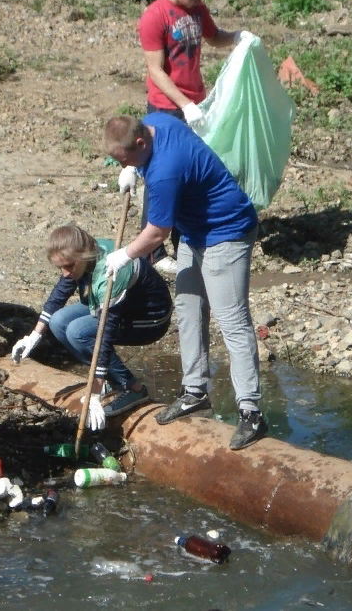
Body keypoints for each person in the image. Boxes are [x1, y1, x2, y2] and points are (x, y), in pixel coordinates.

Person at [103, 113, 266, 451]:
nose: (126, 164)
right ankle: (196, 391)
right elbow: (141, 158)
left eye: (127, 158)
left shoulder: (165, 170)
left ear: (140, 142)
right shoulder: (154, 122)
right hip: (194, 231)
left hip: (228, 232)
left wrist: (124, 255)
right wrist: (132, 168)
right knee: (189, 308)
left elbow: (157, 233)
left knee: (231, 319)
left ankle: (251, 411)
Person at [133, 0, 250, 274]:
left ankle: (186, 241)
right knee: (162, 175)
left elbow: (214, 37)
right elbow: (156, 70)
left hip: (195, 104)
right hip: (165, 107)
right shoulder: (154, 17)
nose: (198, 3)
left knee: (191, 173)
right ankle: (153, 251)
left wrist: (239, 38)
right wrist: (183, 104)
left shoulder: (198, 10)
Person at [10, 224, 173, 427]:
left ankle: (133, 389)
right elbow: (59, 294)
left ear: (83, 255)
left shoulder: (109, 274)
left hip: (148, 317)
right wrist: (34, 335)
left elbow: (105, 334)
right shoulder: (81, 256)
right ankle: (107, 379)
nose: (65, 273)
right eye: (60, 268)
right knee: (58, 321)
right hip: (114, 305)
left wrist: (94, 392)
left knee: (78, 333)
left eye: (68, 266)